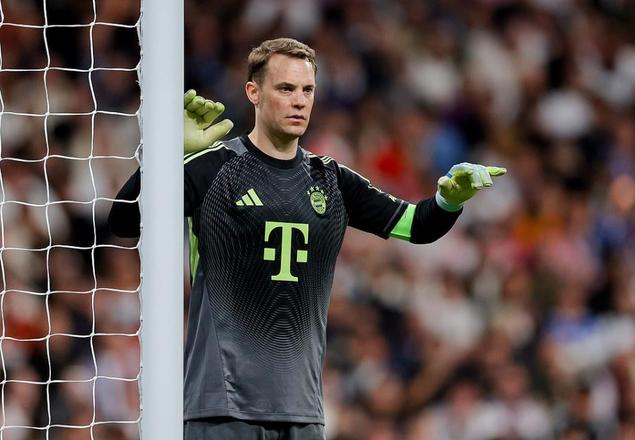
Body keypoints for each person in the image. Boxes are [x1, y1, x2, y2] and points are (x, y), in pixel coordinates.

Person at [108, 37, 506, 440]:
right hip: (221, 409)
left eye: (307, 90)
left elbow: (416, 225)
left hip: (302, 412)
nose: (299, 101)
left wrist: (448, 201)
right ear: (254, 92)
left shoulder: (332, 180)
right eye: (285, 88)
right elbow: (123, 220)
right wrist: (163, 156)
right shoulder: (215, 168)